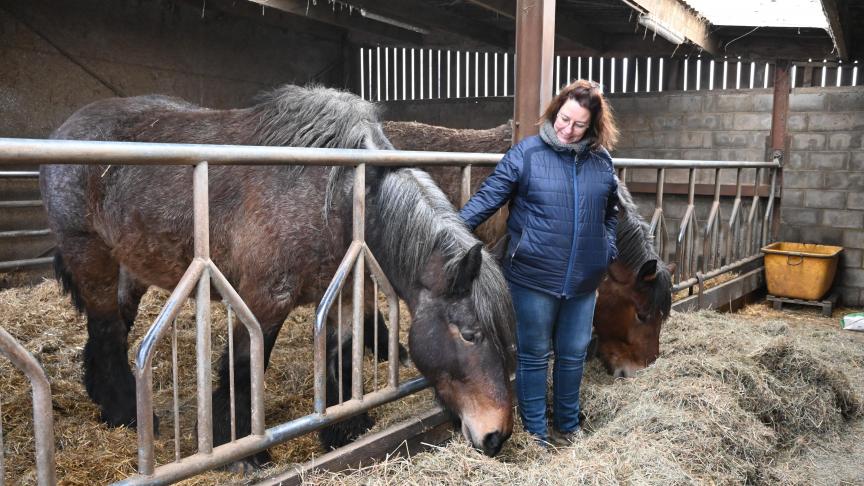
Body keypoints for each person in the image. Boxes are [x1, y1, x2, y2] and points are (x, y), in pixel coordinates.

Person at [459, 79, 620, 447]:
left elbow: (612, 212)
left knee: (574, 354)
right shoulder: (527, 154)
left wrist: (605, 249)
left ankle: (567, 426)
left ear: (593, 126)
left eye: (579, 125)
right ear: (555, 112)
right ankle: (536, 433)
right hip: (533, 276)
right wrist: (451, 231)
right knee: (533, 356)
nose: (567, 130)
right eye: (564, 119)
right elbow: (488, 198)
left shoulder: (602, 162)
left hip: (583, 281)